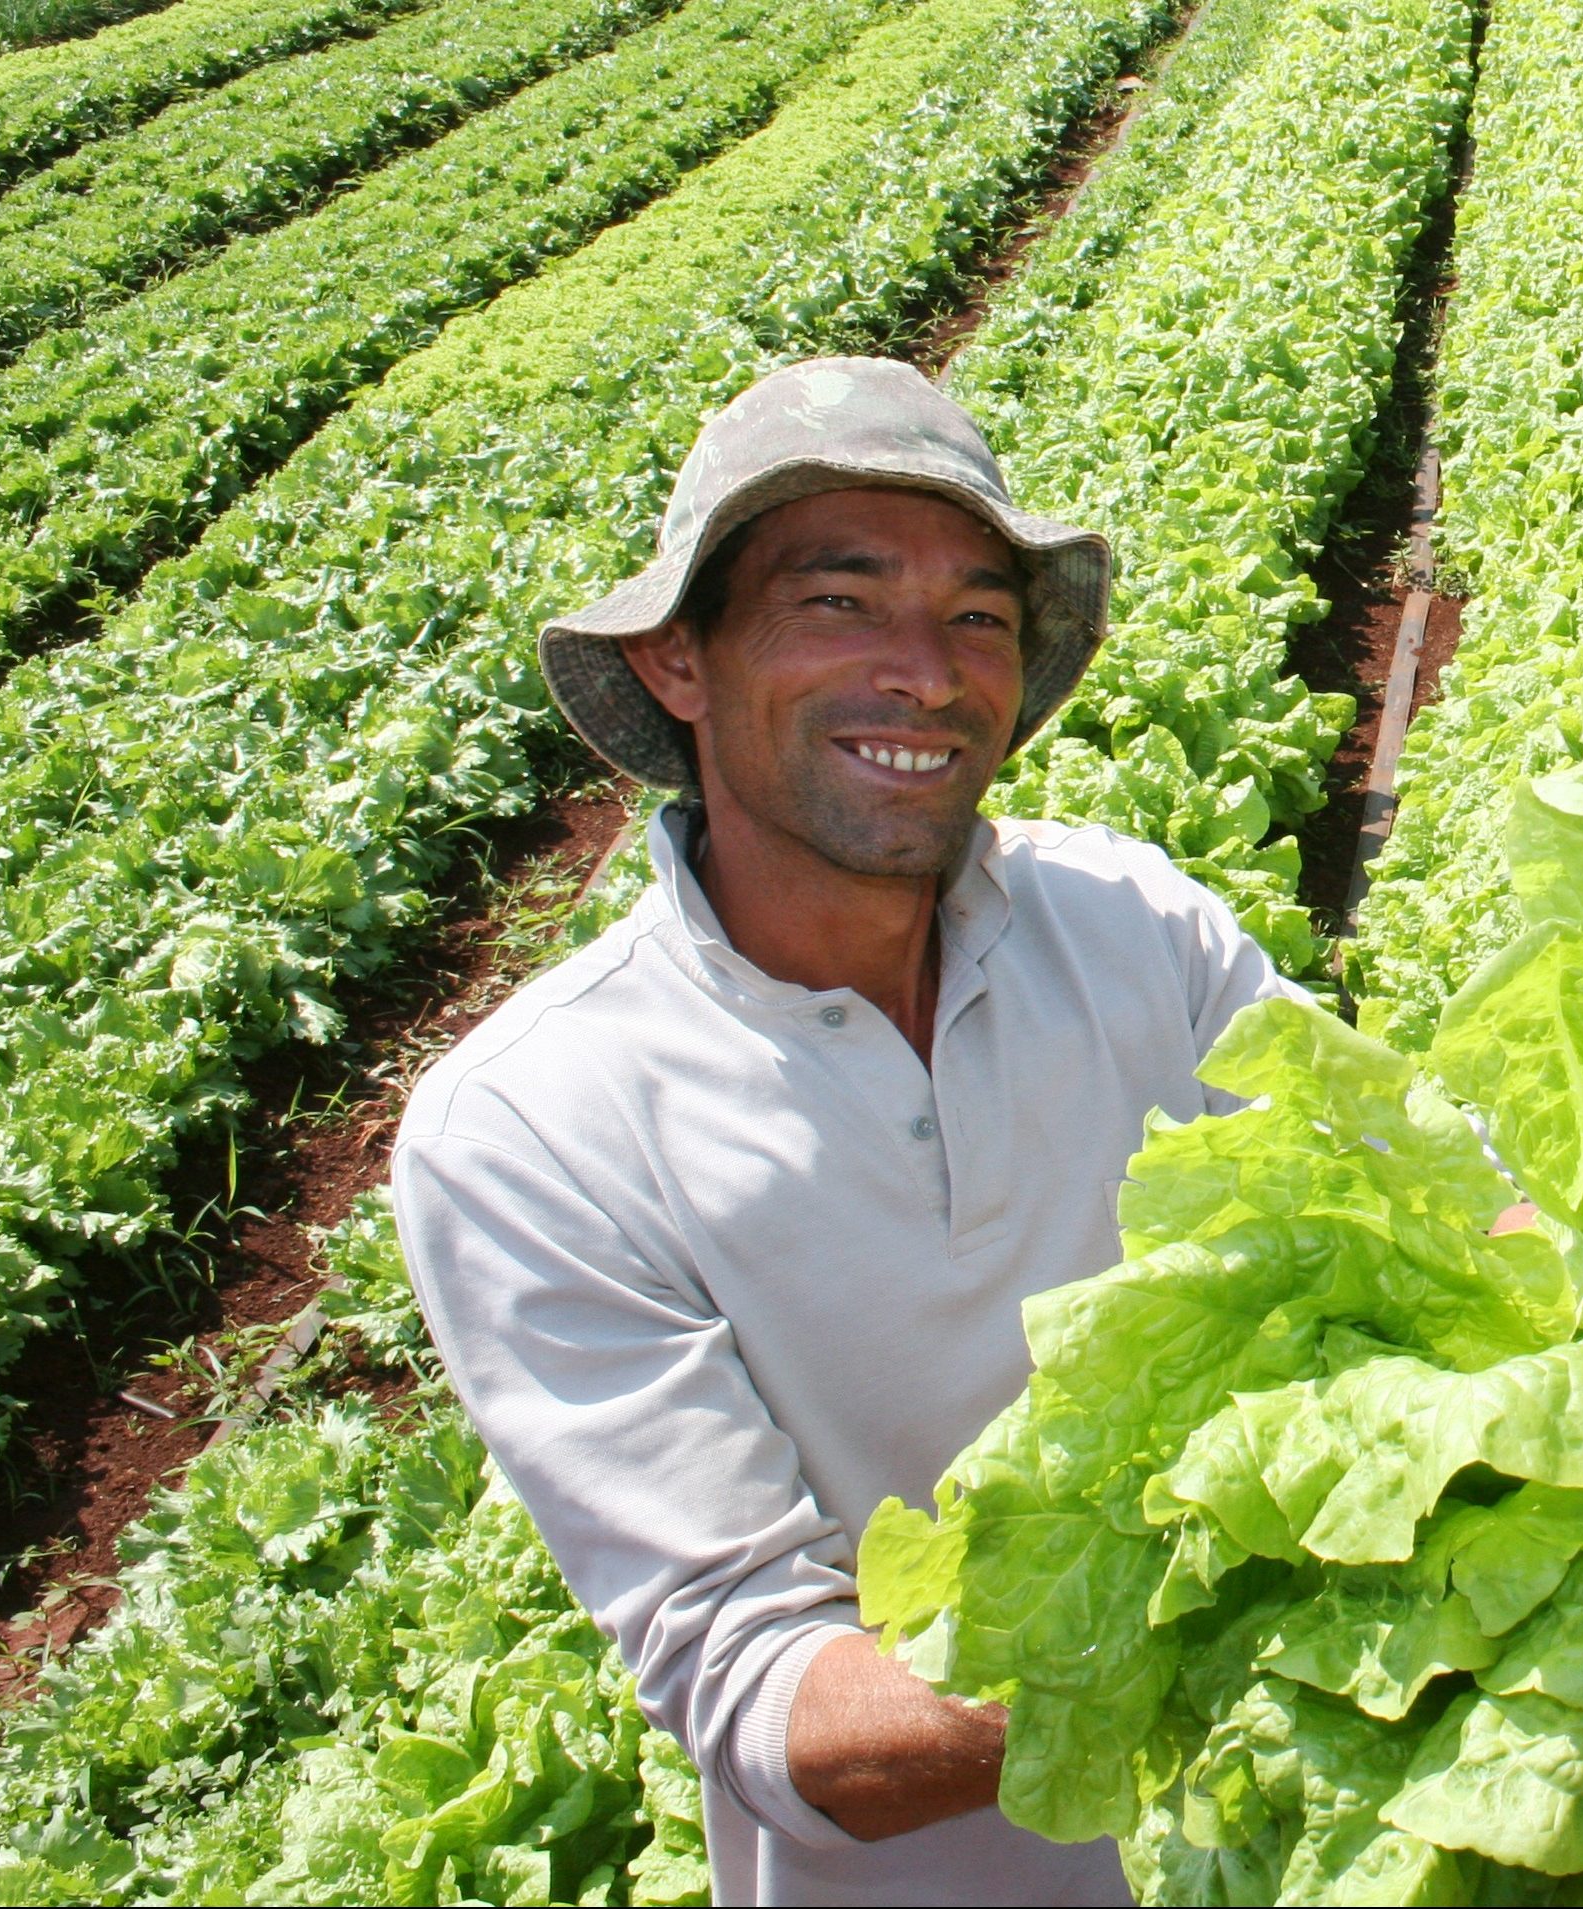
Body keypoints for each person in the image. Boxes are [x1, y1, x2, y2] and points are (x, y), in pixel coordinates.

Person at [392, 357, 1302, 1906]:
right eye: (840, 603)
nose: (929, 674)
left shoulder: (1143, 928)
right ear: (682, 661)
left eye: (978, 617)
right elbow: (771, 1689)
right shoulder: (535, 1128)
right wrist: (1253, 1630)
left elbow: (1425, 1209)